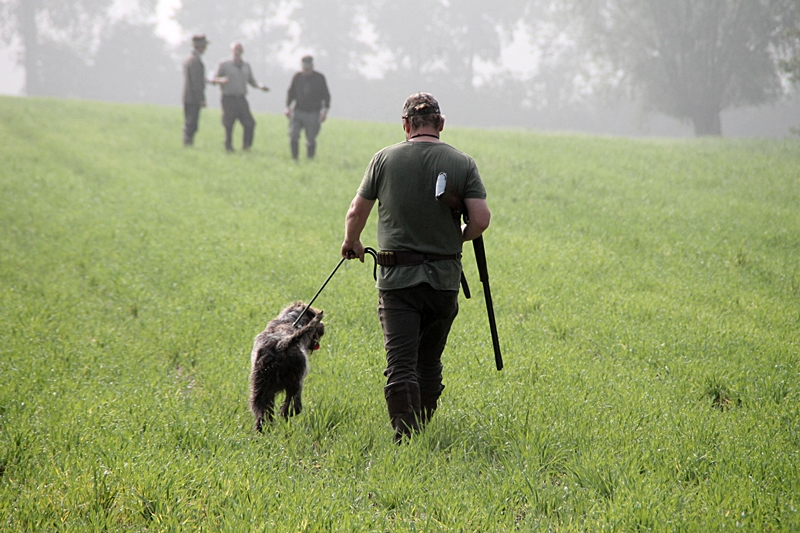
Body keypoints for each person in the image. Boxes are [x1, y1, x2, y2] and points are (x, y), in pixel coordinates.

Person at [341, 92, 491, 443]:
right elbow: (481, 219)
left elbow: (355, 212)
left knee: (401, 363)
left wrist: (353, 242)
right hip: (443, 281)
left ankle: (404, 436)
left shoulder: (384, 159)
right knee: (428, 362)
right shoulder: (462, 162)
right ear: (440, 124)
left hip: (398, 281)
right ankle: (419, 428)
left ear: (406, 125)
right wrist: (461, 237)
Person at [209, 42, 269, 152]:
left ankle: (246, 146)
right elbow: (212, 79)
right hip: (228, 98)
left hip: (241, 98)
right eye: (235, 50)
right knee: (229, 124)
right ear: (232, 51)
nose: (237, 52)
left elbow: (252, 80)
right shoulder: (224, 64)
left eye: (239, 50)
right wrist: (220, 80)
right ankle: (228, 147)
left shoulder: (246, 65)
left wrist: (260, 86)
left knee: (249, 123)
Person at [285, 55, 330, 160]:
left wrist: (325, 111)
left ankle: (310, 159)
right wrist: (288, 107)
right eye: (304, 68)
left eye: (308, 68)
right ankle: (294, 158)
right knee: (293, 135)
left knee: (311, 138)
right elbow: (291, 93)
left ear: (312, 66)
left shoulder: (319, 78)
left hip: (313, 113)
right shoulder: (297, 77)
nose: (306, 70)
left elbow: (326, 95)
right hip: (298, 111)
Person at [182, 34, 209, 146]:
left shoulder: (189, 59)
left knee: (190, 121)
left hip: (188, 96)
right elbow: (196, 82)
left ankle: (188, 142)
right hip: (193, 97)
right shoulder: (195, 61)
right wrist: (201, 98)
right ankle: (188, 143)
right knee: (192, 123)